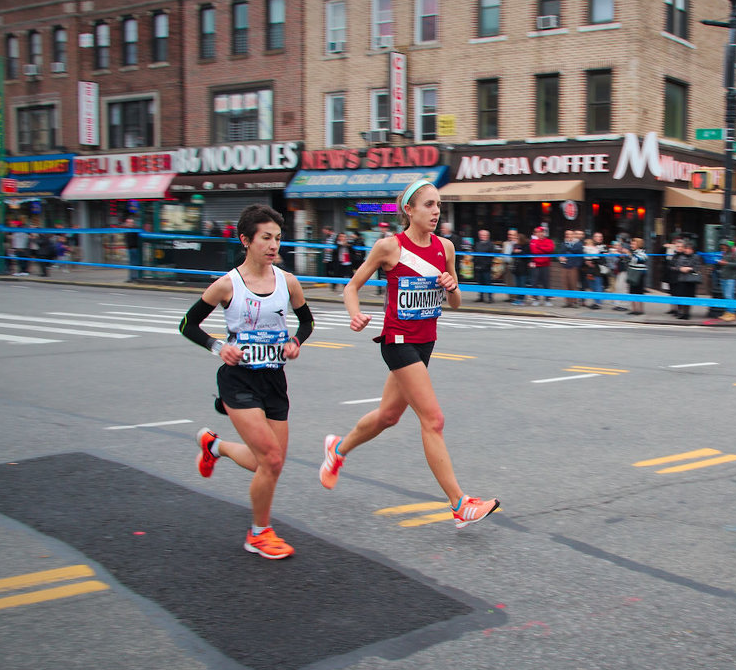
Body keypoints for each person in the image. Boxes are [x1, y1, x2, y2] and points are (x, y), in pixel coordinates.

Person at [318, 179, 499, 529]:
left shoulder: (445, 247)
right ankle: (459, 504)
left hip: (425, 342)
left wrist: (452, 286)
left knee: (388, 416)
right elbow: (351, 287)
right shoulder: (389, 247)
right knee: (433, 420)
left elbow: (457, 303)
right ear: (409, 210)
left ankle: (337, 449)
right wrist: (355, 313)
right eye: (429, 205)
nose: (436, 212)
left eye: (438, 205)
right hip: (397, 341)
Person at [179, 204, 315, 559]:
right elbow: (187, 325)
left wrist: (295, 342)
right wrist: (217, 346)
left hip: (274, 379)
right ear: (246, 240)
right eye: (266, 238)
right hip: (238, 381)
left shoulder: (287, 282)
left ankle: (214, 447)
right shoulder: (228, 285)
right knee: (269, 458)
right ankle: (259, 532)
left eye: (278, 239)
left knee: (269, 463)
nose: (273, 245)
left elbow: (307, 322)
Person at [669, 238, 703, 320]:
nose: (687, 250)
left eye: (689, 249)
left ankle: (687, 313)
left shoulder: (696, 257)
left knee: (689, 297)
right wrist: (680, 269)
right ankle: (681, 312)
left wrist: (690, 269)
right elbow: (675, 266)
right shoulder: (680, 257)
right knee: (680, 296)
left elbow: (698, 267)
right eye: (686, 249)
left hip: (691, 280)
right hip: (682, 279)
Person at [528, 225, 555, 306]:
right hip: (536, 265)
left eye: (541, 232)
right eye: (538, 232)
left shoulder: (549, 241)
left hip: (545, 264)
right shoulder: (533, 241)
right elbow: (534, 251)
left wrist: (539, 247)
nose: (540, 234)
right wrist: (543, 249)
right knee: (535, 282)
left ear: (544, 233)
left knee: (546, 282)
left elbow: (550, 249)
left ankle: (547, 299)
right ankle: (535, 299)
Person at [718, 239, 736, 321]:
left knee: (729, 296)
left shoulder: (735, 253)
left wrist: (726, 263)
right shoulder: (725, 253)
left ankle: (732, 313)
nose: (723, 248)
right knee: (726, 296)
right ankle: (727, 312)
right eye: (722, 247)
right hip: (724, 276)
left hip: (731, 278)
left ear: (728, 246)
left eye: (724, 246)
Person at [560, 229, 584, 307]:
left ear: (573, 235)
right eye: (566, 234)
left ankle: (574, 302)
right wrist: (560, 258)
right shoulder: (563, 243)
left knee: (573, 284)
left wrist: (577, 265)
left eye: (570, 234)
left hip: (573, 266)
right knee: (565, 284)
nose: (568, 236)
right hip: (565, 266)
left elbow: (579, 254)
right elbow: (561, 253)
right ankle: (567, 302)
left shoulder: (578, 243)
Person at [625, 237, 649, 315]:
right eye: (631, 243)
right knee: (632, 291)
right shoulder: (632, 252)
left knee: (639, 292)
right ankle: (634, 309)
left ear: (638, 244)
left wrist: (629, 254)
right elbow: (627, 261)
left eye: (633, 244)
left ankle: (640, 310)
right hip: (632, 273)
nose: (631, 245)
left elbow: (638, 260)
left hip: (639, 274)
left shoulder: (642, 253)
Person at [473, 228, 496, 303]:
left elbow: (492, 256)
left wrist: (487, 264)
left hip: (486, 267)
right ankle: (481, 297)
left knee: (488, 282)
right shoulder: (477, 244)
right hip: (478, 266)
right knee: (480, 282)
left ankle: (490, 297)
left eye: (484, 235)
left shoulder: (490, 245)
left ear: (487, 236)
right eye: (481, 235)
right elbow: (474, 254)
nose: (482, 236)